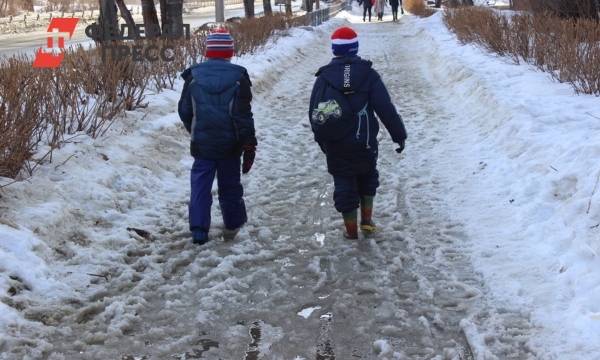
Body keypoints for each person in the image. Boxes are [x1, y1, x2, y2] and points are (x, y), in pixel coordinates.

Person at [308, 27, 407, 240]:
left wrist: (321, 140)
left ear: (335, 50)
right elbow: (385, 108)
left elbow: (314, 111)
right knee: (367, 177)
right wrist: (399, 135)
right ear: (355, 48)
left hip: (335, 143)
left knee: (344, 183)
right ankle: (367, 221)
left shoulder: (324, 77)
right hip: (365, 142)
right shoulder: (369, 75)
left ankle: (351, 231)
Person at [178, 28, 257, 245]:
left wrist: (195, 130)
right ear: (230, 52)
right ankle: (234, 223)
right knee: (230, 184)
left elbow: (185, 111)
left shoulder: (193, 77)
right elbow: (243, 116)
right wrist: (249, 145)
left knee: (200, 186)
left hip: (202, 144)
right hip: (230, 144)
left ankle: (199, 230)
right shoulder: (239, 78)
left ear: (207, 52)